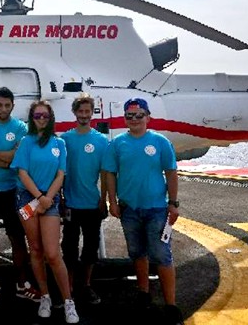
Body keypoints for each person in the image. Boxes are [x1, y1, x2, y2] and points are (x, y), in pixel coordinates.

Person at [102, 98, 184, 324]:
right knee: (137, 253)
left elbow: (171, 172)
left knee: (162, 255)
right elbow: (110, 174)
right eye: (130, 116)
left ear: (148, 117)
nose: (135, 119)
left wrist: (173, 203)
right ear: (124, 119)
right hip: (129, 209)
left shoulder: (160, 142)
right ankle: (143, 292)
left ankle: (171, 305)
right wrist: (112, 201)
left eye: (139, 115)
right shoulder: (117, 144)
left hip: (157, 209)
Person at [11, 100, 79, 324]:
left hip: (50, 199)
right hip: (27, 198)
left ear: (51, 119)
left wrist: (47, 198)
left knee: (52, 253)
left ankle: (68, 301)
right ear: (32, 119)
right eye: (37, 116)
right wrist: (39, 198)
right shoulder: (26, 142)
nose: (41, 119)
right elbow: (22, 173)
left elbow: (60, 174)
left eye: (45, 116)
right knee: (36, 250)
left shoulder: (59, 143)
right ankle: (45, 296)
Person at [0, 87, 41, 307]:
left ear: (13, 105)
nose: (3, 109)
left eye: (7, 105)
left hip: (13, 191)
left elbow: (19, 157)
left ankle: (23, 284)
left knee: (17, 238)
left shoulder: (20, 127)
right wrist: (8, 160)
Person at [60, 93, 109, 305]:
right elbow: (59, 172)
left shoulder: (101, 140)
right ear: (74, 112)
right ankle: (69, 287)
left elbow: (105, 173)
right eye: (80, 111)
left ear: (92, 113)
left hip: (92, 204)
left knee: (90, 247)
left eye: (87, 111)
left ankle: (87, 285)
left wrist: (104, 199)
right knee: (69, 248)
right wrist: (61, 197)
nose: (84, 115)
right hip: (70, 203)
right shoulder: (65, 139)